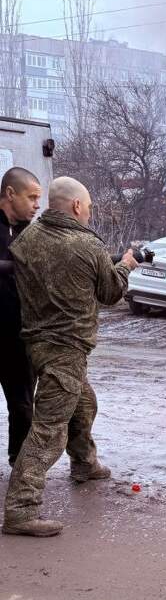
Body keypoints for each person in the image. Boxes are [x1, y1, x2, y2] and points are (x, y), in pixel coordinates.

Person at [2, 176, 139, 538]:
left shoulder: (27, 238)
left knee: (85, 403)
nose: (90, 212)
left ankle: (84, 462)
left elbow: (57, 270)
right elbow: (111, 293)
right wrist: (125, 264)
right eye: (89, 206)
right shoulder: (85, 244)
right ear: (77, 206)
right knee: (47, 433)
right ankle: (20, 509)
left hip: (36, 344)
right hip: (67, 348)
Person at [0, 167, 42, 466]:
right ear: (10, 194)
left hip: (19, 337)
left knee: (23, 406)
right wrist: (15, 267)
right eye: (32, 197)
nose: (37, 205)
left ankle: (20, 463)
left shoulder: (33, 233)